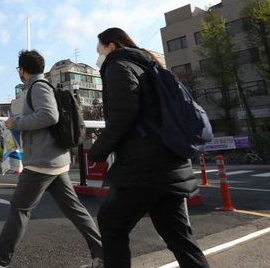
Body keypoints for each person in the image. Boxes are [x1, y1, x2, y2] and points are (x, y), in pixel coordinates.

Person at [89, 28, 210, 268]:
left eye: (99, 50)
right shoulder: (148, 65)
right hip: (170, 162)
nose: (98, 57)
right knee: (179, 236)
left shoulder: (118, 66)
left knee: (111, 224)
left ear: (111, 46)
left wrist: (98, 151)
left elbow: (124, 115)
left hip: (143, 166)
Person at [0, 49, 104, 268]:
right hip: (55, 161)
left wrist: (16, 122)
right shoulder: (42, 86)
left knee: (20, 209)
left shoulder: (38, 87)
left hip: (41, 163)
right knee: (75, 210)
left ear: (22, 70)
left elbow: (49, 115)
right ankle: (103, 256)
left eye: (19, 69)